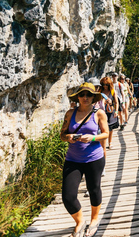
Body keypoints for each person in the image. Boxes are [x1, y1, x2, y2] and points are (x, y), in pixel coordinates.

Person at [60, 82, 109, 237]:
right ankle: (80, 221)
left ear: (93, 97)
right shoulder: (69, 114)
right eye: (82, 95)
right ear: (78, 97)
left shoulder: (99, 113)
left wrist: (93, 137)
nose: (85, 97)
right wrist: (68, 137)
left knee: (94, 189)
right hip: (73, 159)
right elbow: (62, 135)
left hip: (94, 158)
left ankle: (94, 220)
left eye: (88, 95)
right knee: (68, 196)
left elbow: (106, 133)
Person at [100, 76, 119, 149]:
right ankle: (102, 143)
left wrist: (116, 111)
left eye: (106, 85)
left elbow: (116, 102)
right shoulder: (100, 91)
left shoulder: (112, 91)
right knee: (102, 128)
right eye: (103, 84)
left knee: (110, 128)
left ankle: (110, 142)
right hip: (102, 111)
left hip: (110, 111)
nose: (105, 86)